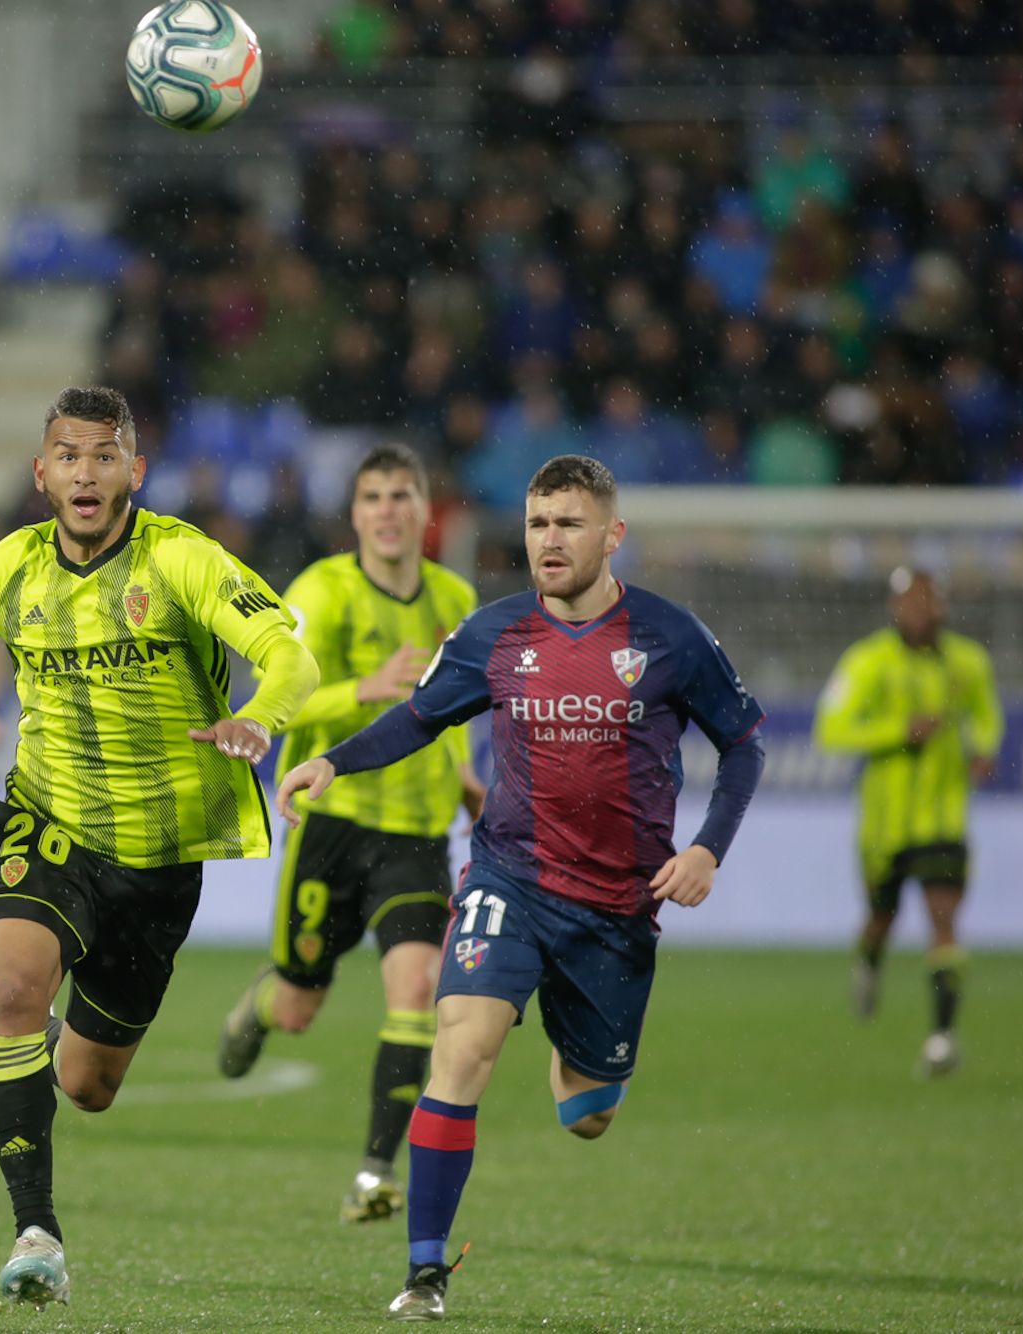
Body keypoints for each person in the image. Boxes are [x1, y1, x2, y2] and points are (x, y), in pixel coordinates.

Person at [0, 387, 318, 1306]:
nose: (86, 473)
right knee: (10, 982)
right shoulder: (3, 569)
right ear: (42, 473)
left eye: (105, 457)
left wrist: (261, 718)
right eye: (69, 456)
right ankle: (38, 1236)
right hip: (48, 817)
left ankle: (34, 1056)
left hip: (163, 849)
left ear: (134, 471)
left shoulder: (182, 558)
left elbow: (286, 651)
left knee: (91, 1086)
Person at [276, 455, 766, 1322]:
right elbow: (420, 718)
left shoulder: (671, 638)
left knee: (586, 1114)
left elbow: (744, 746)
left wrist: (707, 851)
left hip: (616, 907)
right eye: (539, 523)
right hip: (509, 875)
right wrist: (332, 760)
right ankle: (424, 1272)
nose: (549, 540)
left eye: (569, 524)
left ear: (612, 535)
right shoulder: (492, 636)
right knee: (460, 1047)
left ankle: (569, 1036)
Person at [214, 442, 483, 1224]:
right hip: (329, 824)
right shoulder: (322, 591)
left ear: (427, 510)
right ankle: (257, 1011)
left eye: (403, 495)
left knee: (417, 990)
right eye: (373, 498)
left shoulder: (455, 596)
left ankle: (373, 1174)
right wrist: (361, 691)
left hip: (415, 832)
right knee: (300, 1004)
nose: (389, 511)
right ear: (355, 514)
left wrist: (466, 776)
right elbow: (278, 694)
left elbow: (456, 705)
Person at [813, 567, 1002, 1078]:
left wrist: (983, 748)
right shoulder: (867, 660)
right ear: (896, 608)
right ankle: (869, 962)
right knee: (882, 920)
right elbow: (831, 728)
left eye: (930, 602)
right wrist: (899, 732)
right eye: (912, 603)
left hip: (943, 816)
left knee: (943, 918)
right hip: (885, 825)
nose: (922, 612)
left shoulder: (968, 661)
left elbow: (986, 714)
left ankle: (942, 1036)